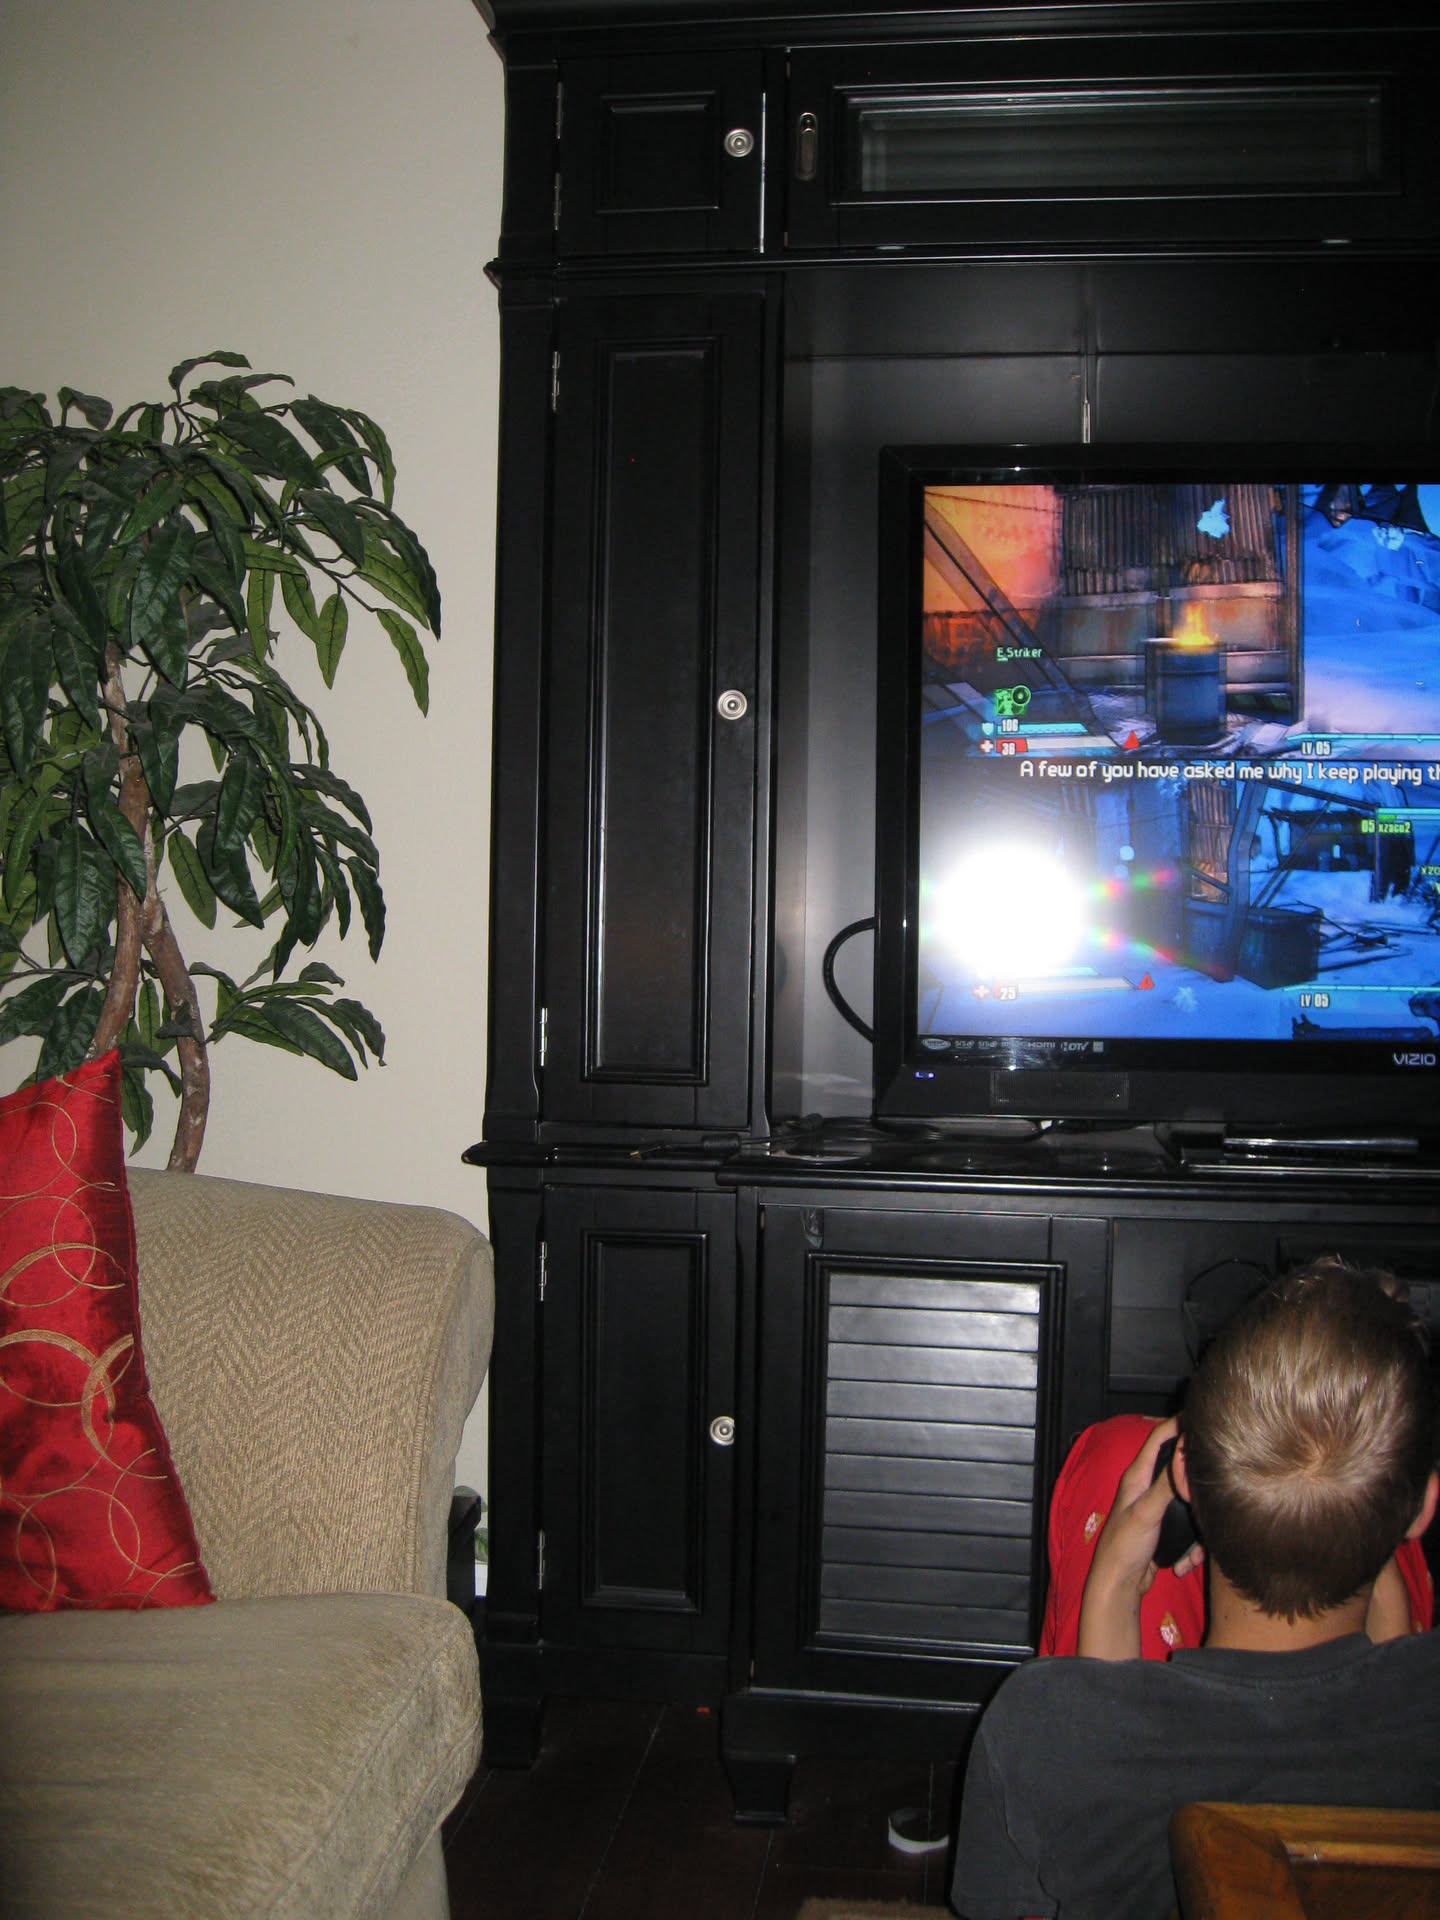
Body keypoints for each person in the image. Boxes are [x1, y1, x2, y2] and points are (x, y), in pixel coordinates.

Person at [950, 1257, 1440, 1920]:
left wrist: (1111, 1580)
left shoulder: (1035, 1724)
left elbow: (1082, 1762)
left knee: (1112, 1451)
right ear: (1421, 1510)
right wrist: (1364, 1522)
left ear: (1182, 1476)